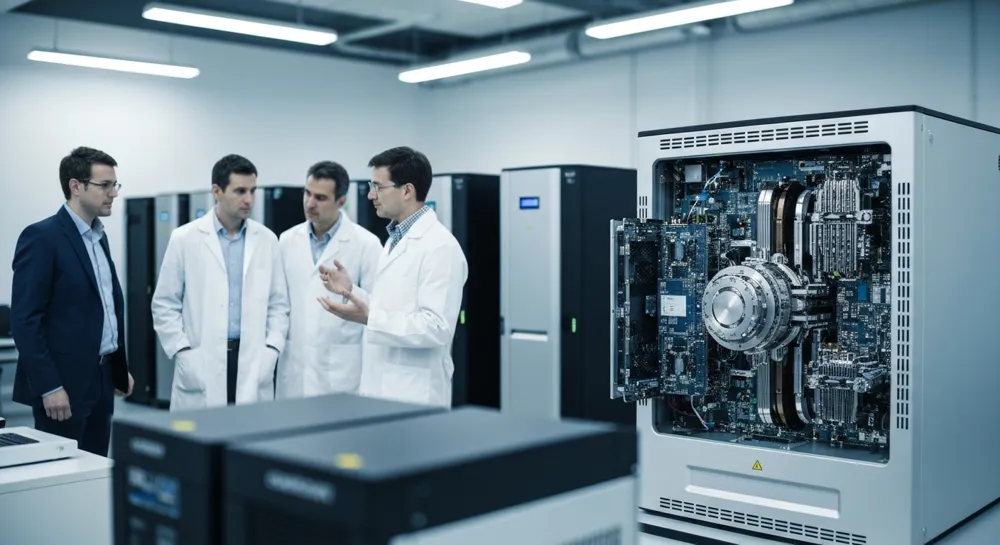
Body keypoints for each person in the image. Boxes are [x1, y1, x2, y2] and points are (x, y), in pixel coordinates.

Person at [317, 146, 468, 408]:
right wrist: (353, 291)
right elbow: (392, 307)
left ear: (407, 190)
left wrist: (369, 318)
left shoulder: (440, 246)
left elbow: (437, 328)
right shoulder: (395, 239)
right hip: (384, 387)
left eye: (378, 187)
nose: (371, 195)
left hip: (414, 392)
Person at [10, 146, 133, 457]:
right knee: (59, 473)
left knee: (94, 470)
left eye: (115, 185)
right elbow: (26, 320)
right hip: (63, 384)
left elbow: (105, 307)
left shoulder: (98, 236)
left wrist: (119, 368)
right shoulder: (42, 238)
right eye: (105, 185)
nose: (113, 194)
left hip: (102, 378)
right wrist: (49, 386)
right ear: (75, 186)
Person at [151, 154, 289, 411]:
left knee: (247, 442)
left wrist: (272, 349)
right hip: (201, 356)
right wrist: (182, 351)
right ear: (217, 191)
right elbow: (164, 304)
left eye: (252, 191)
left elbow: (279, 304)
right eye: (240, 191)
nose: (249, 199)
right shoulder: (185, 238)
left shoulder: (267, 240)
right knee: (201, 442)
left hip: (252, 357)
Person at [275, 160, 381, 399]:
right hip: (295, 369)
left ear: (341, 201)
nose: (310, 203)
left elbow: (378, 309)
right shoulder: (287, 240)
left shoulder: (366, 245)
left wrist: (350, 290)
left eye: (320, 198)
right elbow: (279, 303)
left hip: (342, 372)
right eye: (307, 193)